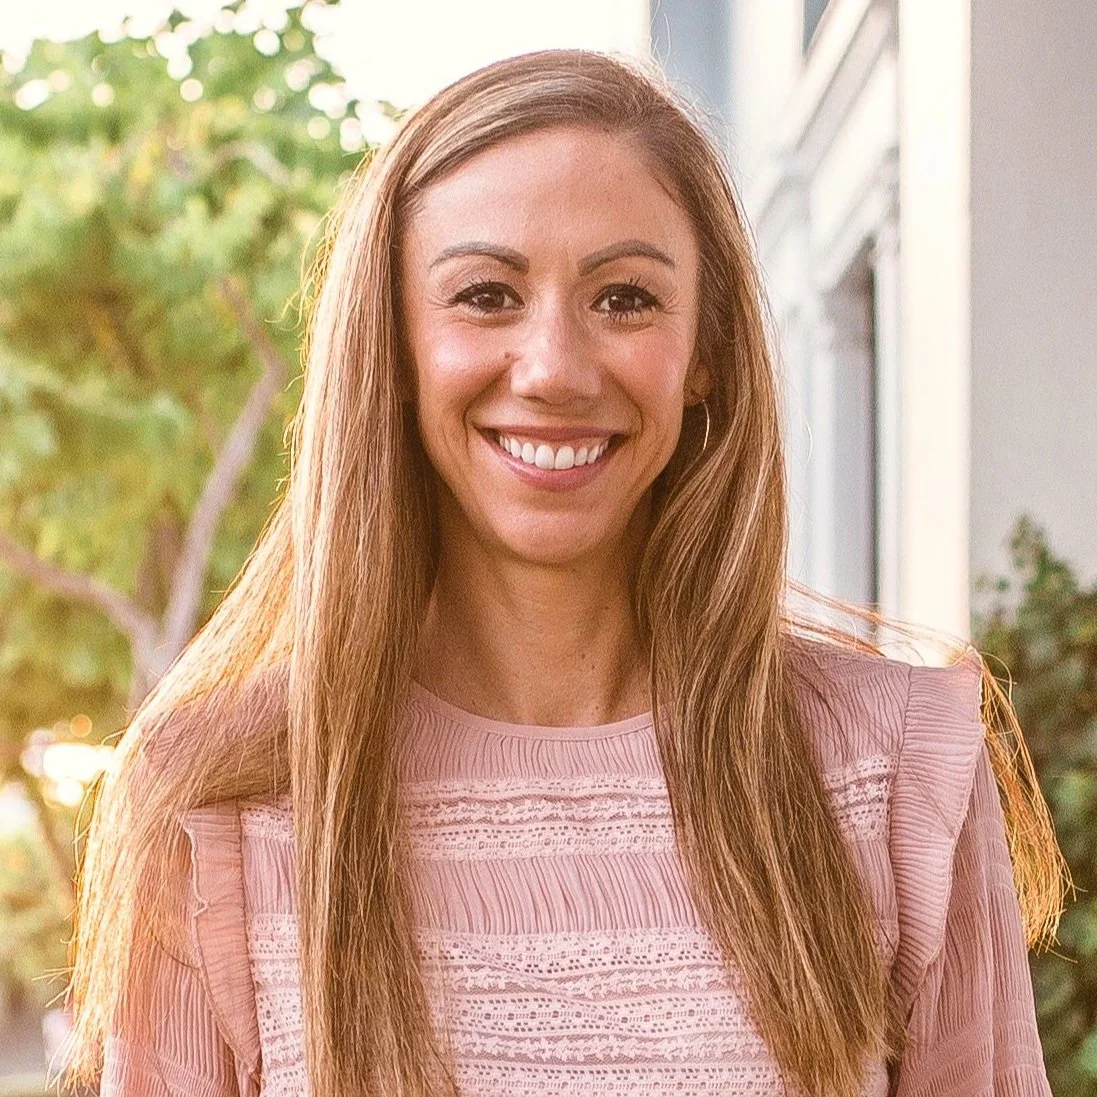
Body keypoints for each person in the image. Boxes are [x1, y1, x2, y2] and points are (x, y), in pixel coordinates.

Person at [63, 49, 1066, 1097]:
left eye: (625, 298)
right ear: (391, 347)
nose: (552, 368)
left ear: (706, 351)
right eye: (486, 295)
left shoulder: (894, 767)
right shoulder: (215, 800)